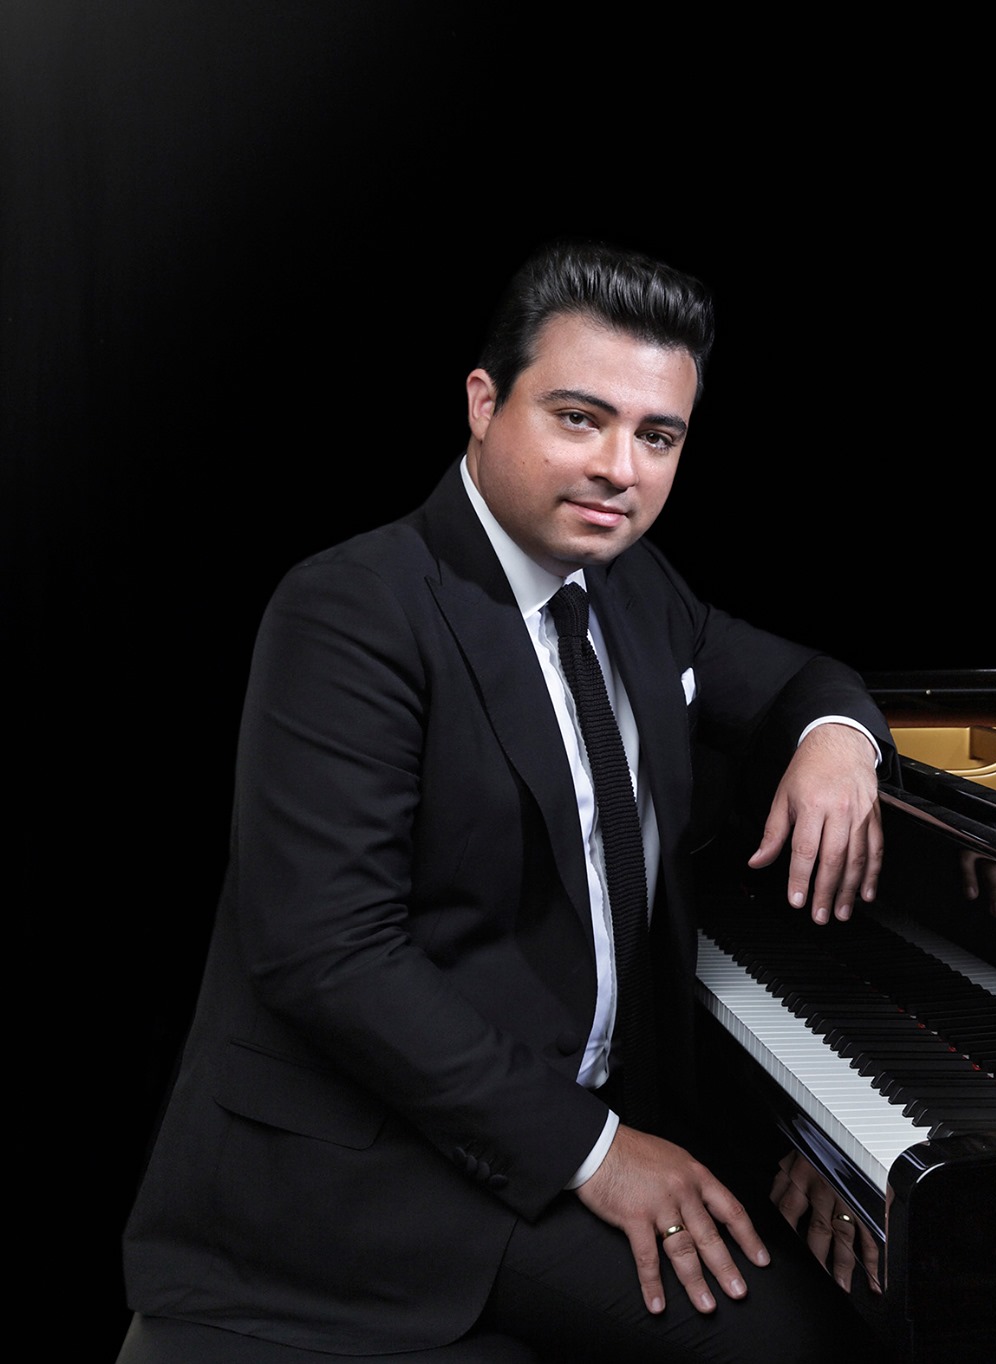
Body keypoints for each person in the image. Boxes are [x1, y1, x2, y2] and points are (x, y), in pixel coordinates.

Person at [121, 241, 889, 1362]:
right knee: (789, 1344)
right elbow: (329, 956)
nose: (619, 468)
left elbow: (795, 680)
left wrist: (837, 744)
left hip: (573, 1112)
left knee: (862, 1293)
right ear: (484, 404)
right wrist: (597, 1152)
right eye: (580, 419)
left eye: (657, 436)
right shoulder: (352, 609)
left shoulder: (631, 587)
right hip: (385, 1156)